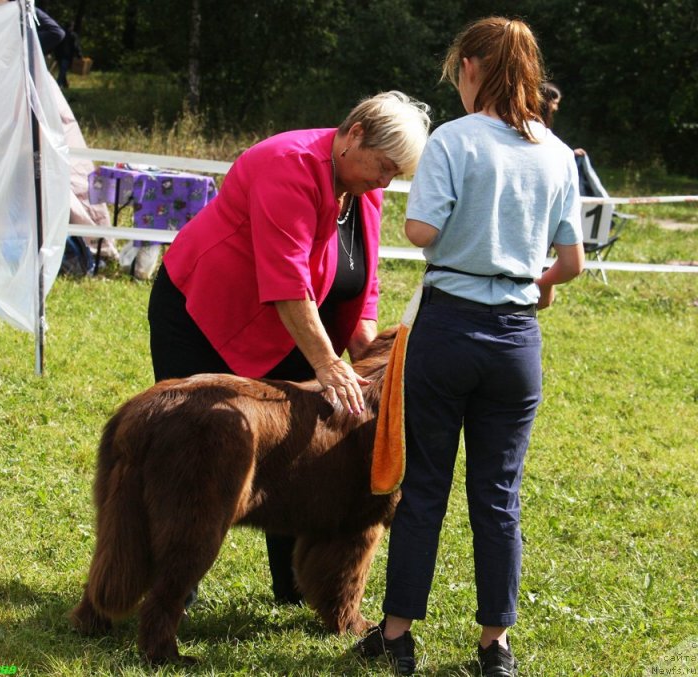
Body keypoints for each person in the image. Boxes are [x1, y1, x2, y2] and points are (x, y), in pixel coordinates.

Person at [353, 18, 584, 676]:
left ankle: (397, 634)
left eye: (458, 68)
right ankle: (495, 644)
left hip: (449, 327)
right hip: (516, 341)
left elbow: (422, 227)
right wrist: (529, 273)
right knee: (499, 494)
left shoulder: (454, 141)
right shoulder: (558, 152)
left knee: (425, 486)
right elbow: (570, 264)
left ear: (474, 68)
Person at [148, 91, 431, 606]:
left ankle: (294, 590)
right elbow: (285, 280)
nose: (386, 182)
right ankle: (169, 592)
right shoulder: (289, 165)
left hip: (291, 326)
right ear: (355, 134)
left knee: (296, 454)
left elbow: (360, 284)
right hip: (203, 315)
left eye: (397, 175)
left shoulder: (364, 187)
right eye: (385, 167)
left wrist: (365, 357)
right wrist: (327, 363)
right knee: (197, 456)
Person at [54, 21, 82, 89]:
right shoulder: (72, 35)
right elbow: (75, 46)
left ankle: (65, 85)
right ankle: (58, 85)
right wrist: (79, 55)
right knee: (63, 71)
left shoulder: (61, 34)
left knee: (63, 70)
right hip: (66, 55)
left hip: (59, 55)